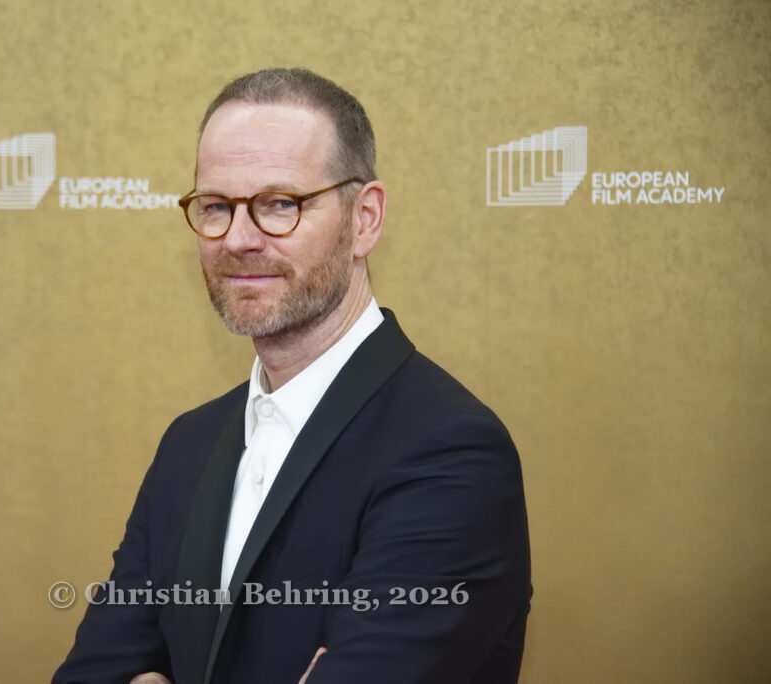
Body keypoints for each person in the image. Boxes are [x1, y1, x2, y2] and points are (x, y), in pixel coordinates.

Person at [53, 67, 531, 684]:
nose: (239, 239)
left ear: (364, 219)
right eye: (217, 206)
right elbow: (93, 671)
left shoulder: (449, 450)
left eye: (281, 204)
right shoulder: (189, 444)